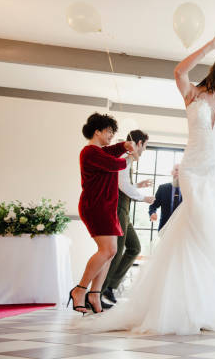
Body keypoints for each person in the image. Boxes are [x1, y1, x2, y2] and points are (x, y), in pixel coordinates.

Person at [79, 34, 215, 335]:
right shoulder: (193, 93)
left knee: (214, 229)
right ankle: (189, 304)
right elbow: (179, 71)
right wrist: (211, 45)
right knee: (199, 222)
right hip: (194, 168)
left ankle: (213, 303)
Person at [71, 113, 135, 315]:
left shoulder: (101, 151)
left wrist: (124, 146)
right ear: (97, 131)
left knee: (112, 251)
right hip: (95, 206)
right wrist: (130, 156)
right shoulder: (89, 152)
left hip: (106, 207)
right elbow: (114, 164)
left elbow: (114, 150)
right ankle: (80, 289)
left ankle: (94, 295)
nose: (110, 135)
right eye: (108, 131)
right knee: (106, 251)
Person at [102, 130, 155, 307]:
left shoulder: (127, 157)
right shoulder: (126, 156)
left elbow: (123, 182)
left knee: (134, 248)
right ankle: (101, 291)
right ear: (139, 143)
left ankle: (110, 286)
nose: (144, 150)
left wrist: (138, 186)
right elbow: (122, 184)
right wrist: (143, 197)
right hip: (118, 209)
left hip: (124, 209)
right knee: (116, 251)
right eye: (145, 146)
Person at [149, 164, 181, 232]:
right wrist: (152, 213)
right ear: (171, 172)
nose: (178, 172)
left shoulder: (188, 190)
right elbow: (153, 205)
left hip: (182, 229)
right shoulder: (163, 188)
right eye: (176, 170)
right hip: (164, 228)